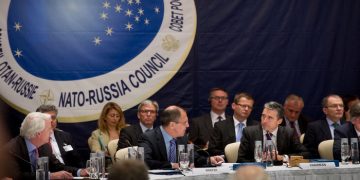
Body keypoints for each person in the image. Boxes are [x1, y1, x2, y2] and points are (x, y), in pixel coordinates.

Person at [138, 105, 224, 169]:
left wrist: (209, 160)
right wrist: (172, 165)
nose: (187, 125)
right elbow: (144, 162)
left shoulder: (182, 138)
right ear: (172, 125)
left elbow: (194, 158)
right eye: (185, 122)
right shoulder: (148, 137)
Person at [1, 112, 79, 179]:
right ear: (38, 133)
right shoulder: (10, 151)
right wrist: (49, 176)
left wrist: (79, 172)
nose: (52, 132)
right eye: (49, 129)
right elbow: (16, 176)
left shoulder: (44, 146)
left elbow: (57, 167)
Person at [237, 101, 309, 163]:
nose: (264, 121)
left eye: (270, 118)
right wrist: (259, 161)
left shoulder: (288, 133)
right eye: (263, 116)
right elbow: (240, 160)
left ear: (279, 121)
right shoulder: (249, 132)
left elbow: (306, 154)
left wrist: (282, 157)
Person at [303, 94, 345, 159]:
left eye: (341, 106)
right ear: (325, 110)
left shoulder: (350, 126)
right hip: (323, 165)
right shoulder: (314, 127)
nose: (339, 108)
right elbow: (307, 152)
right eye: (334, 106)